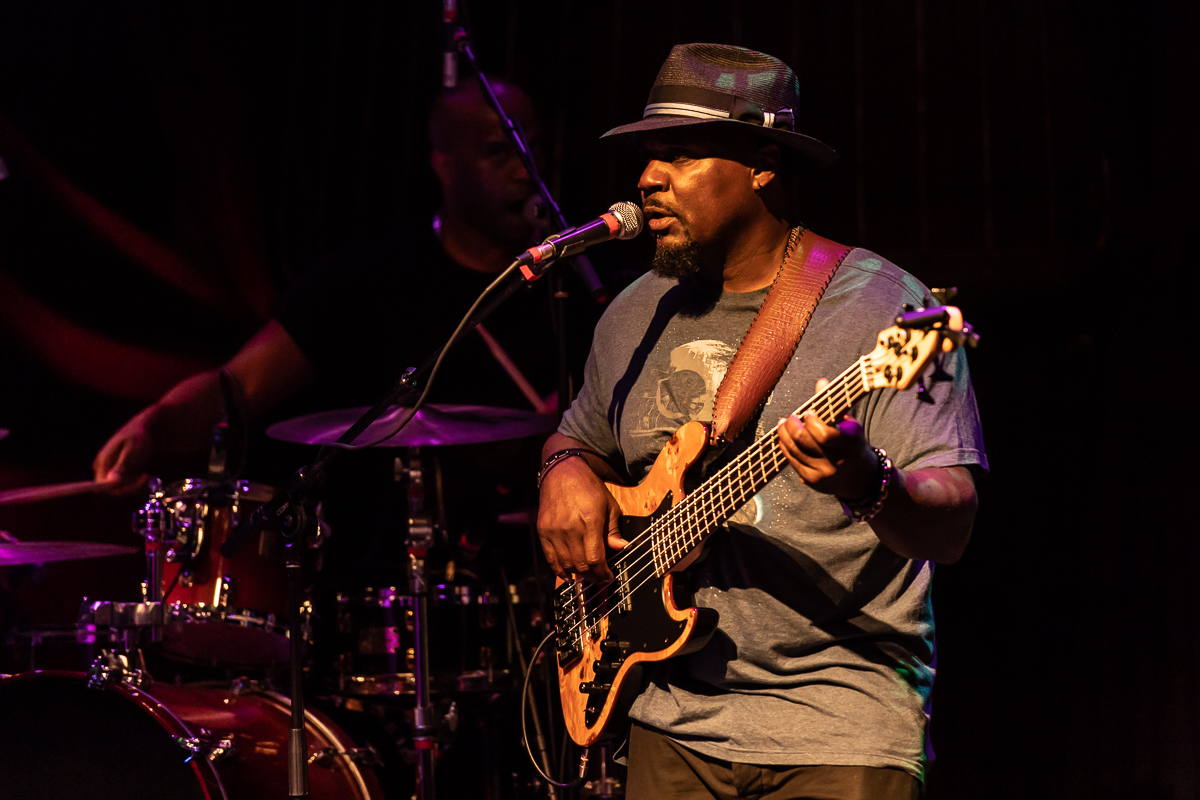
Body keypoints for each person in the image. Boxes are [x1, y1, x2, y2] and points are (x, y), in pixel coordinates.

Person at [536, 44, 987, 799]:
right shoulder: (633, 314)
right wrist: (563, 470)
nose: (648, 179)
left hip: (840, 725)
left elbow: (953, 525)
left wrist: (869, 482)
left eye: (679, 155)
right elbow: (575, 436)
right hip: (669, 724)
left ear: (763, 164)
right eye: (648, 158)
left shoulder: (885, 311)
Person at [93, 76, 581, 492]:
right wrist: (154, 425)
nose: (525, 170)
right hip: (392, 570)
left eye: (531, 148)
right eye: (499, 152)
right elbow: (239, 387)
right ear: (445, 167)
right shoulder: (366, 281)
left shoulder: (574, 282)